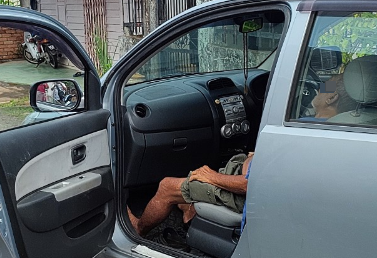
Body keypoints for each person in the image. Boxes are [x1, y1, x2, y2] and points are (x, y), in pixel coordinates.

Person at [129, 72, 354, 237]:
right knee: (189, 189)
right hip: (248, 175)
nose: (318, 88)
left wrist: (211, 176)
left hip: (247, 192)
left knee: (167, 186)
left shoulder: (305, 131)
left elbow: (251, 184)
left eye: (325, 85)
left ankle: (138, 229)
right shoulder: (329, 125)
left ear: (331, 98)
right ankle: (191, 217)